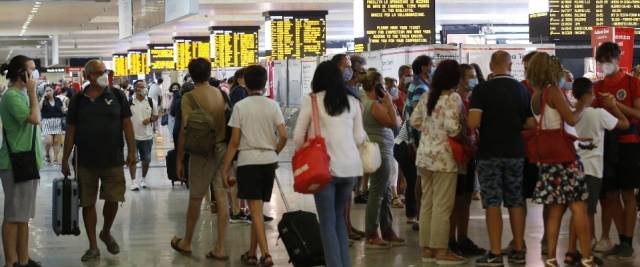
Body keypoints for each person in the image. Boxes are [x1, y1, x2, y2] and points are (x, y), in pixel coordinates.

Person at [293, 61, 366, 267]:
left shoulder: (313, 101)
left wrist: (307, 147)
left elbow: (298, 137)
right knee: (340, 220)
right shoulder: (352, 102)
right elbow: (360, 137)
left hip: (324, 168)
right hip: (350, 168)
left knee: (327, 222)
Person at [61, 59, 135, 262]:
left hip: (113, 159)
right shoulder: (78, 100)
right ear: (88, 77)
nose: (104, 75)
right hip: (85, 161)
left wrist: (132, 152)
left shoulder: (117, 95)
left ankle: (106, 231)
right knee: (87, 203)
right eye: (99, 72)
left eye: (105, 71)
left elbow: (127, 124)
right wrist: (65, 158)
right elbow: (71, 130)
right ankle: (93, 245)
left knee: (113, 199)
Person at [526, 52, 595, 267]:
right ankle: (586, 257)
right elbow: (571, 118)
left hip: (547, 160)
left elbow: (549, 123)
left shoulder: (536, 96)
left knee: (554, 209)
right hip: (566, 159)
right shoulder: (553, 91)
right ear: (550, 70)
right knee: (578, 208)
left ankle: (550, 258)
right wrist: (583, 104)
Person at [468, 51, 531, 266]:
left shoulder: (482, 89)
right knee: (516, 200)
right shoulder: (522, 90)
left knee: (493, 202)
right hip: (516, 152)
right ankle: (519, 249)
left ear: (492, 65)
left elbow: (473, 122)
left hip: (490, 153)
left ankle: (495, 252)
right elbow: (530, 123)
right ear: (510, 65)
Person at [221, 65, 288, 267]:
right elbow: (283, 136)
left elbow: (234, 142)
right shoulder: (272, 105)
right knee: (257, 210)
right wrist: (274, 151)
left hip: (248, 162)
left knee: (255, 211)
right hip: (268, 162)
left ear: (244, 82)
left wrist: (225, 168)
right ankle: (251, 253)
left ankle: (266, 254)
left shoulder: (241, 106)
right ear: (265, 83)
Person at [564, 77, 628, 265]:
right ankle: (586, 254)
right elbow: (624, 124)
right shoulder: (599, 113)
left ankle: (570, 251)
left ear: (574, 95)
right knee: (586, 213)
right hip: (592, 170)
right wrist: (614, 105)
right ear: (590, 94)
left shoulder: (569, 115)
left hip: (573, 168)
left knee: (577, 210)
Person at [170, 58, 229, 260]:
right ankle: (220, 247)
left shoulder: (189, 97)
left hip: (201, 153)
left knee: (196, 197)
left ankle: (187, 242)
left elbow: (185, 131)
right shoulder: (220, 94)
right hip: (222, 148)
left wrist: (179, 160)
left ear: (191, 74)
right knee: (221, 197)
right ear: (209, 72)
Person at [409, 59, 466, 264]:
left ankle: (426, 249)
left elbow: (414, 121)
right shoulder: (453, 98)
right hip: (444, 159)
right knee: (443, 205)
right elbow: (453, 128)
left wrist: (429, 131)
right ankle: (441, 251)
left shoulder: (427, 96)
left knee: (427, 203)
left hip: (424, 156)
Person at [593, 42, 640, 260]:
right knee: (610, 195)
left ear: (617, 60)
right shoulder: (597, 87)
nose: (604, 66)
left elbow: (638, 114)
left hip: (629, 143)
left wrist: (616, 106)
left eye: (607, 61)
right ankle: (621, 239)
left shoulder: (633, 83)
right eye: (600, 62)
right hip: (605, 145)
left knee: (627, 193)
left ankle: (628, 241)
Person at [0, 55, 42, 267]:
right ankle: (11, 261)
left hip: (28, 160)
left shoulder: (24, 95)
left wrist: (32, 93)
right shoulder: (11, 97)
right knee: (13, 215)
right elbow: (34, 119)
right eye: (31, 70)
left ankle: (24, 260)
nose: (34, 74)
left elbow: (37, 119)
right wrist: (34, 92)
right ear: (21, 74)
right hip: (15, 163)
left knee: (23, 216)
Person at [360, 70, 403, 249]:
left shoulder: (368, 102)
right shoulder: (373, 105)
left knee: (384, 193)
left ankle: (387, 230)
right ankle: (372, 233)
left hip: (382, 149)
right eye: (383, 85)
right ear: (377, 86)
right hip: (380, 152)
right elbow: (395, 123)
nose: (386, 88)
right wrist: (389, 103)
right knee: (377, 194)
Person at [447, 64, 485, 257]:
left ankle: (463, 237)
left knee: (467, 198)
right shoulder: (455, 100)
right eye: (470, 76)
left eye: (474, 76)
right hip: (457, 156)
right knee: (456, 199)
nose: (474, 79)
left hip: (470, 155)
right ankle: (451, 240)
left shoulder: (473, 101)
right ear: (460, 79)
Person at [128, 80, 158, 191]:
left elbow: (156, 115)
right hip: (132, 136)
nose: (144, 88)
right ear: (136, 89)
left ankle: (143, 179)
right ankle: (133, 181)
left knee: (147, 159)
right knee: (133, 159)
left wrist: (150, 119)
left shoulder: (151, 101)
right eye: (141, 87)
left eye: (144, 86)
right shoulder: (130, 101)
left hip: (147, 136)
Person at [40, 85, 66, 165]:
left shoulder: (58, 100)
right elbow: (39, 109)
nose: (48, 92)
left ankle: (55, 159)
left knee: (56, 141)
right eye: (46, 91)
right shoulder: (43, 101)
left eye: (50, 90)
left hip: (57, 122)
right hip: (47, 122)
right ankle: (47, 155)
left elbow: (63, 111)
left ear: (53, 91)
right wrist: (42, 98)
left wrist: (67, 109)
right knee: (48, 141)